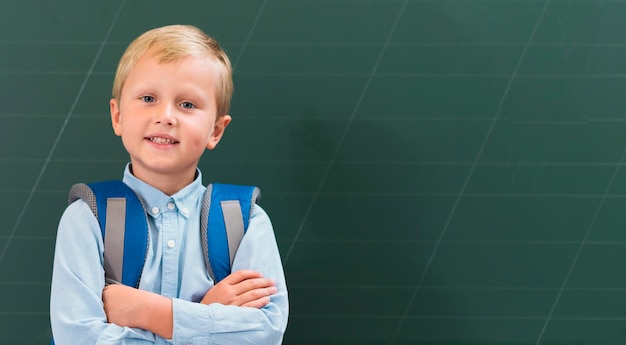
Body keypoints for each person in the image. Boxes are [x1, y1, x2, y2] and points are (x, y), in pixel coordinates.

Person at [50, 24, 288, 344]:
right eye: (148, 98)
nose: (166, 116)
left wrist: (147, 311)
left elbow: (266, 333)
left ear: (216, 130)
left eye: (187, 104)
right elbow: (77, 337)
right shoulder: (88, 218)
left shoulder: (242, 221)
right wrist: (208, 313)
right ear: (117, 115)